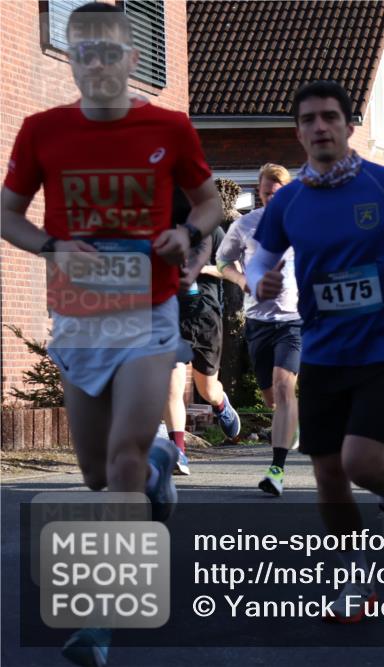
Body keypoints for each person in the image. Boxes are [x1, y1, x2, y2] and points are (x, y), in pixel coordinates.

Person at [0, 3, 223, 662]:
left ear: (132, 59)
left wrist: (189, 231)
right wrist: (51, 246)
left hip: (148, 313)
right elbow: (8, 214)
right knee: (98, 471)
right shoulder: (42, 130)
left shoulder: (169, 126)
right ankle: (159, 464)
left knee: (122, 455)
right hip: (78, 315)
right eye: (84, 52)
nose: (97, 63)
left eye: (109, 51)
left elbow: (209, 199)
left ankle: (99, 621)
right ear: (72, 61)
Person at [247, 80, 384, 619]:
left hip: (382, 348)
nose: (319, 127)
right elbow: (259, 257)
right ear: (298, 132)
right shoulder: (288, 200)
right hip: (321, 353)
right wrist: (258, 281)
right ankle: (355, 578)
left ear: (347, 126)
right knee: (327, 475)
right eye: (308, 119)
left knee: (360, 461)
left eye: (329, 118)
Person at [217, 163, 299, 494]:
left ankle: (276, 470)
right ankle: (291, 419)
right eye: (265, 194)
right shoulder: (244, 225)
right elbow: (223, 262)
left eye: (276, 195)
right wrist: (241, 279)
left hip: (294, 320)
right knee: (272, 398)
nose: (270, 200)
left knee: (283, 387)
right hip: (258, 322)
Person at [163, 190, 237, 475]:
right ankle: (178, 452)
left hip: (206, 316)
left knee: (206, 388)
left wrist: (201, 268)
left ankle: (220, 403)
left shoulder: (213, 231)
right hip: (172, 317)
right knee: (171, 384)